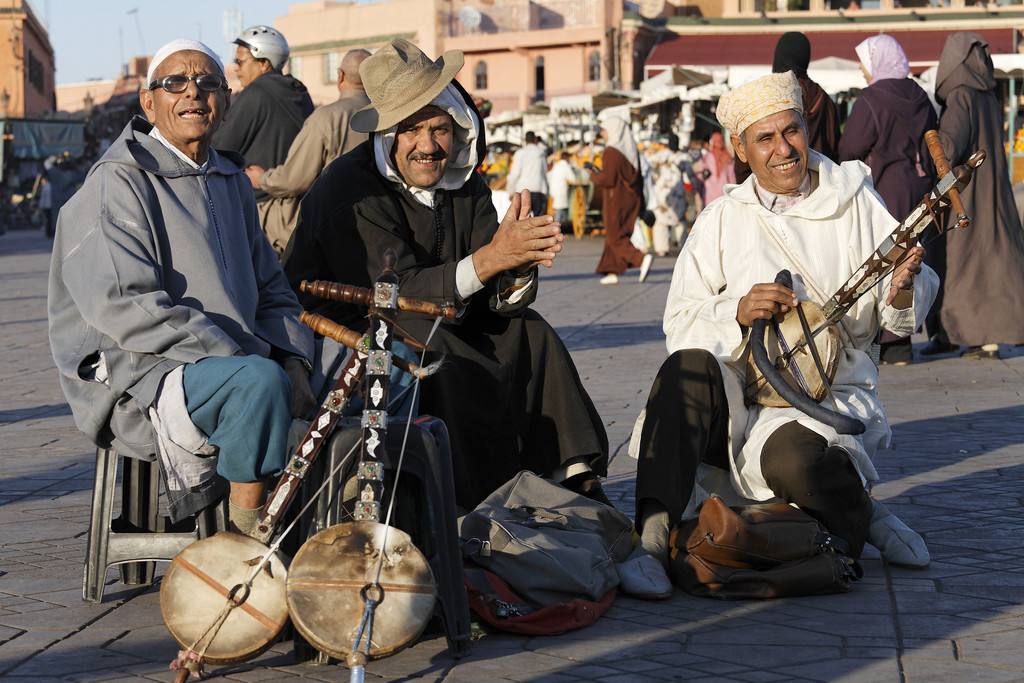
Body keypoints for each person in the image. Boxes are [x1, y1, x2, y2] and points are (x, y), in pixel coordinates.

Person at [284, 39, 610, 512]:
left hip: (441, 310)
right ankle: (468, 500)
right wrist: (491, 260)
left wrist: (516, 264)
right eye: (412, 130)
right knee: (439, 350)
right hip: (352, 322)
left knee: (529, 332)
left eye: (439, 129)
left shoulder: (464, 180)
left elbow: (490, 278)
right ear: (389, 134)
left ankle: (573, 474)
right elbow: (393, 293)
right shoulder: (350, 191)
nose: (429, 146)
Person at [632, 72, 937, 573]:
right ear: (742, 149)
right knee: (684, 372)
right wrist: (735, 311)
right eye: (765, 138)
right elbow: (680, 322)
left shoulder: (855, 198)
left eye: (791, 131)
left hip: (822, 392)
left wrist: (903, 284)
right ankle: (650, 533)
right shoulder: (721, 218)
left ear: (806, 128)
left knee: (794, 462)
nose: (783, 149)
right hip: (739, 388)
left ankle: (863, 513)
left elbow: (902, 309)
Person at [47, 40, 317, 538]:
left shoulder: (230, 178)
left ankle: (343, 545)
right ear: (149, 103)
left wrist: (295, 358)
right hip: (143, 369)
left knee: (365, 375)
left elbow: (273, 288)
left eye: (209, 83)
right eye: (175, 83)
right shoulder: (120, 180)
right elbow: (125, 305)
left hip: (235, 361)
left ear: (226, 101)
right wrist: (245, 356)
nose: (194, 92)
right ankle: (242, 545)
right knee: (258, 383)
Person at [839, 34, 937, 366]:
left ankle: (885, 340)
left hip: (882, 188)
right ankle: (902, 342)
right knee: (909, 260)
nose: (862, 71)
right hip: (917, 189)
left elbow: (849, 148)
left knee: (880, 262)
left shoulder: (871, 99)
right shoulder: (919, 95)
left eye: (864, 63)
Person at [928, 32, 1024, 358]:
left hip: (966, 195)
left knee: (963, 268)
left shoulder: (961, 97)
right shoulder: (988, 95)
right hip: (995, 190)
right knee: (995, 264)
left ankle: (973, 335)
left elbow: (950, 147)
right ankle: (973, 334)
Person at [245, 49, 371, 253]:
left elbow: (293, 180)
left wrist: (261, 178)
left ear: (340, 76)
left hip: (328, 220)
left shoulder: (326, 118)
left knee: (248, 217)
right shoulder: (385, 118)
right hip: (371, 217)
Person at [212, 25, 314, 247]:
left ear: (264, 63)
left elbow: (219, 146)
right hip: (295, 207)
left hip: (261, 208)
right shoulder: (299, 93)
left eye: (241, 61)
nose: (236, 68)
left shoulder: (256, 93)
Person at [736, 32, 841, 184]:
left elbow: (747, 155)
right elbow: (835, 147)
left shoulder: (769, 96)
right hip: (818, 183)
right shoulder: (824, 99)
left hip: (773, 185)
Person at [588, 111, 654, 285]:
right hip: (630, 198)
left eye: (604, 130)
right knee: (616, 233)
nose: (602, 133)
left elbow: (608, 179)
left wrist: (593, 175)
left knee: (615, 235)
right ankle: (611, 270)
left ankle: (640, 258)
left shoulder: (611, 151)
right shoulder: (629, 152)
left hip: (615, 199)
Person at [506, 131, 549, 217]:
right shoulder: (541, 154)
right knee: (538, 223)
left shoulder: (520, 153)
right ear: (535, 139)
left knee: (522, 222)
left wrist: (510, 191)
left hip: (522, 191)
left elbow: (515, 174)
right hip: (538, 190)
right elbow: (545, 173)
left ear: (525, 140)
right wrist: (547, 192)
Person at [702, 131, 735, 205]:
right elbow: (732, 178)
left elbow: (702, 173)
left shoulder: (707, 157)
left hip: (710, 194)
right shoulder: (728, 157)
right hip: (724, 193)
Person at [547, 150, 577, 229]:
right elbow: (573, 179)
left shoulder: (556, 165)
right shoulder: (566, 166)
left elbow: (549, 175)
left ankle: (558, 228)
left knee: (557, 209)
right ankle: (555, 229)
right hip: (561, 190)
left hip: (553, 190)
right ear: (567, 158)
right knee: (559, 210)